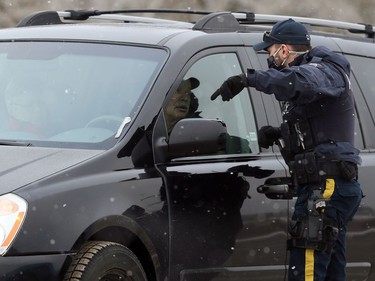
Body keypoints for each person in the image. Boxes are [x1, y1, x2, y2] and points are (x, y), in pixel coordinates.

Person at [211, 18, 362, 281]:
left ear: (283, 50)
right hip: (325, 186)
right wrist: (280, 133)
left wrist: (248, 79)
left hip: (326, 187)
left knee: (306, 270)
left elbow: (300, 80)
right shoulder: (314, 80)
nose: (269, 59)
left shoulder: (324, 70)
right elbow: (319, 124)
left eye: (269, 52)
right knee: (330, 270)